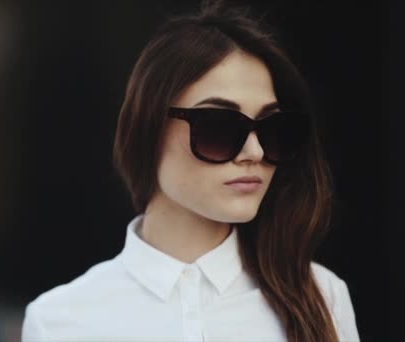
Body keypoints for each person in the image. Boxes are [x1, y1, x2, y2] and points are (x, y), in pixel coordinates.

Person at [21, 1, 360, 341]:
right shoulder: (59, 321)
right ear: (149, 129)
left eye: (273, 129)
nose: (254, 152)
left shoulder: (322, 298)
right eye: (219, 127)